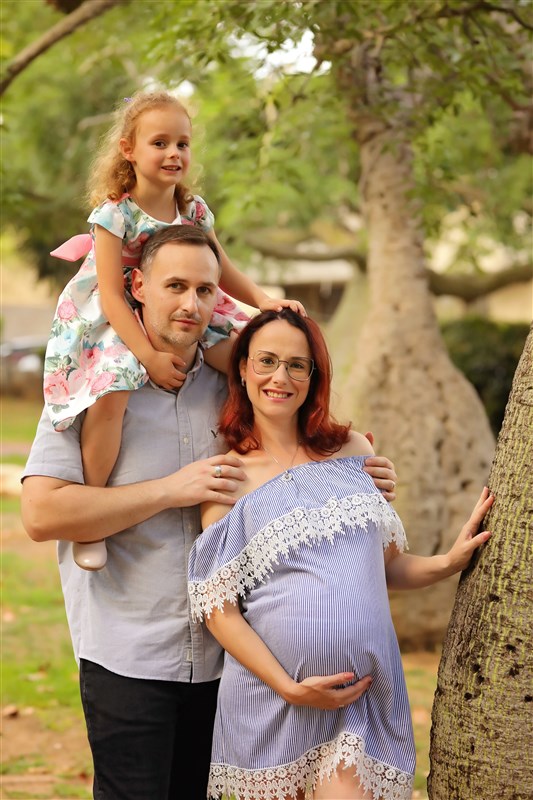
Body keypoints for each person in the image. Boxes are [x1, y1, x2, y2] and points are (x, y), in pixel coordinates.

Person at [22, 225, 399, 800]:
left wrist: (357, 473)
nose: (191, 304)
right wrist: (168, 490)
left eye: (205, 290)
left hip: (233, 666)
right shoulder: (92, 385)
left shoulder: (237, 385)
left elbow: (296, 449)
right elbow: (42, 514)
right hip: (130, 653)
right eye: (175, 286)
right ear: (137, 287)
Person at [187, 308, 494, 800]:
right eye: (266, 361)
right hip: (271, 700)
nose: (280, 377)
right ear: (242, 369)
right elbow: (219, 613)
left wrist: (449, 561)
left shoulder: (351, 451)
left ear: (314, 376)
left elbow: (385, 566)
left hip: (358, 699)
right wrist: (289, 687)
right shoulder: (228, 477)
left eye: (297, 365)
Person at [44, 89, 305, 571]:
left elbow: (222, 269)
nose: (173, 154)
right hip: (121, 315)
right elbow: (111, 293)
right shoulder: (115, 214)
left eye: (182, 144)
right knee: (113, 392)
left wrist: (264, 300)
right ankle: (91, 517)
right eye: (160, 143)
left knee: (247, 362)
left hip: (187, 304)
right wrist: (147, 357)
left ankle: (298, 459)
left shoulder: (195, 211)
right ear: (129, 150)